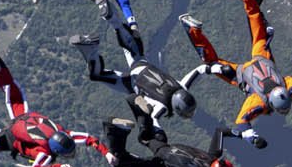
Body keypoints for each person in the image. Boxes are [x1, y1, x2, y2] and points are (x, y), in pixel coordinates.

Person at [0, 49, 106, 167]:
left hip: (24, 117)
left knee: (12, 91)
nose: (71, 154)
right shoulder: (46, 153)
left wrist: (107, 154)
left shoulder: (63, 132)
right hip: (10, 138)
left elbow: (90, 139)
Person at [183, 0, 292, 136]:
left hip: (261, 57)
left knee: (258, 29)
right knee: (212, 63)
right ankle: (192, 30)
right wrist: (252, 137)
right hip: (240, 73)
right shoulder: (258, 101)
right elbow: (240, 123)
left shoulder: (289, 86)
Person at [70, 24, 200, 131]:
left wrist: (217, 67)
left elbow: (200, 70)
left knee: (130, 42)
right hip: (129, 83)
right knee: (97, 75)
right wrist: (158, 134)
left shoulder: (182, 85)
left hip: (141, 64)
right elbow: (154, 120)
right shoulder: (162, 106)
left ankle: (113, 18)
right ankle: (91, 50)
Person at [103, 117, 238, 167]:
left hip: (166, 149)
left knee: (145, 138)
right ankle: (114, 129)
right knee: (121, 161)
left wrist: (244, 135)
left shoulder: (211, 156)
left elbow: (220, 131)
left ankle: (143, 115)